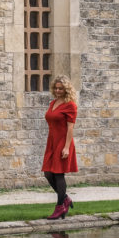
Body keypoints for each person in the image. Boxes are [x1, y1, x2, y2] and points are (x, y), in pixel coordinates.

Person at [42, 75, 78, 220]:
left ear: (66, 89)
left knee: (58, 174)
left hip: (63, 142)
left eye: (60, 88)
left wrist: (66, 147)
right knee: (47, 173)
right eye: (56, 88)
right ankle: (66, 199)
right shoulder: (53, 103)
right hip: (52, 142)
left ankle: (59, 207)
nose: (57, 91)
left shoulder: (70, 105)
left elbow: (70, 128)